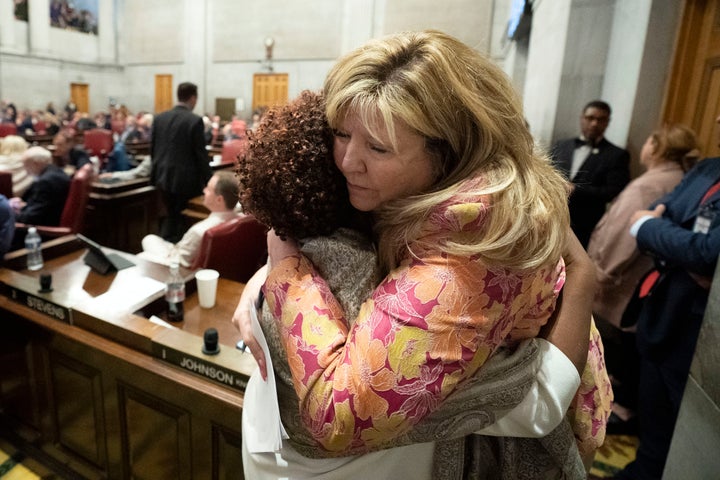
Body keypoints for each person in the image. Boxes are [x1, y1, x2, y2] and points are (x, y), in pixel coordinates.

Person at [234, 32, 610, 478]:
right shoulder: (411, 188)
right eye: (340, 134)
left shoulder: (474, 247)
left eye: (377, 147)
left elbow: (338, 415)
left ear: (447, 153)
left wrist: (285, 268)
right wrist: (260, 283)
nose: (348, 161)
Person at [613, 116, 720, 480]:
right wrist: (662, 233)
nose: (717, 116)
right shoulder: (705, 168)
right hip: (663, 316)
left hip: (704, 336)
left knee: (690, 439)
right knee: (654, 424)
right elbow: (646, 222)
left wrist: (659, 230)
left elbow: (708, 253)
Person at [587, 124, 699, 426]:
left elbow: (622, 236)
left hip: (626, 278)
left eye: (650, 139)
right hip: (648, 278)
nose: (645, 146)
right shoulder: (681, 178)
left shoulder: (647, 185)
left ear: (659, 147)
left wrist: (600, 274)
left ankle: (621, 406)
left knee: (621, 345)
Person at [551, 100, 631, 248]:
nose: (594, 123)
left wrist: (576, 190)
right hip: (552, 218)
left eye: (600, 120)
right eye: (590, 118)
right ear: (582, 118)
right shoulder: (562, 145)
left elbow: (614, 191)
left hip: (586, 224)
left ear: (607, 122)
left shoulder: (616, 155)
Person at [150, 82, 212, 242]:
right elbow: (201, 155)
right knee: (182, 221)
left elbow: (153, 149)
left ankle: (165, 245)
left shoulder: (159, 118)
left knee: (169, 216)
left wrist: (154, 175)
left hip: (162, 178)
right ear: (193, 98)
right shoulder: (194, 120)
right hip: (186, 181)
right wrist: (209, 181)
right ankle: (175, 249)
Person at [138, 171, 240, 267]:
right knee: (150, 239)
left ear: (219, 199)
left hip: (179, 266)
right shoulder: (242, 219)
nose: (204, 191)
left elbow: (178, 263)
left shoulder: (199, 231)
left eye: (208, 189)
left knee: (145, 248)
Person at [9, 146, 70, 228]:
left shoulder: (46, 181)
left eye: (26, 165)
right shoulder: (54, 172)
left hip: (42, 231)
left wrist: (8, 214)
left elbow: (30, 218)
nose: (25, 170)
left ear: (36, 163)